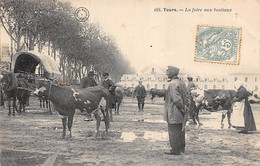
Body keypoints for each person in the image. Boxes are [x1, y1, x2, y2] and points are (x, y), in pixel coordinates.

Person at [164, 66, 188, 155]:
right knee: (181, 129)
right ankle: (181, 148)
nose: (166, 73)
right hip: (181, 111)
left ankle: (175, 150)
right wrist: (184, 110)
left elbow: (176, 99)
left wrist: (181, 109)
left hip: (174, 111)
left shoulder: (172, 84)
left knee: (173, 130)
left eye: (168, 71)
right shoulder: (181, 82)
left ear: (172, 73)